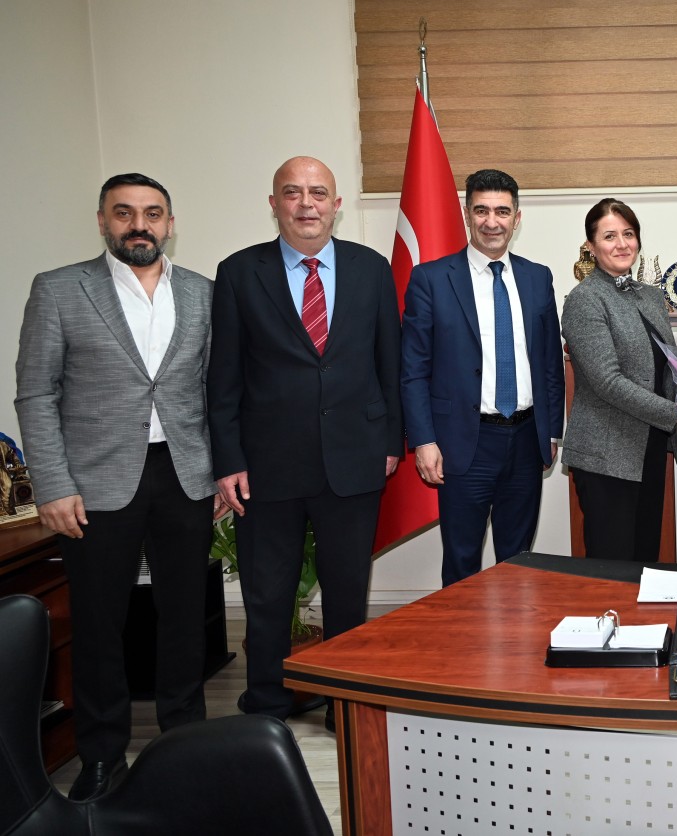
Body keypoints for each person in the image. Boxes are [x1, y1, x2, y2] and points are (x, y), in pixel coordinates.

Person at [15, 173, 219, 800]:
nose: (139, 224)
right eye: (124, 212)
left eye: (152, 213)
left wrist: (220, 471)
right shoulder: (59, 289)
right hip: (94, 483)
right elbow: (36, 393)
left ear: (170, 223)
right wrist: (52, 483)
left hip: (183, 474)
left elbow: (214, 389)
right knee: (100, 623)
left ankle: (185, 742)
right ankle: (102, 756)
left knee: (185, 618)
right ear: (103, 221)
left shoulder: (202, 292)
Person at [208, 156, 402, 729]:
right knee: (268, 595)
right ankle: (267, 706)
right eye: (292, 192)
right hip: (267, 464)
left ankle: (344, 704)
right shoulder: (239, 272)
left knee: (347, 592)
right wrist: (228, 459)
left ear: (336, 205)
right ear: (274, 204)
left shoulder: (371, 269)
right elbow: (223, 377)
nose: (306, 203)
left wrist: (391, 440)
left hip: (355, 455)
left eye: (318, 193)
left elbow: (388, 364)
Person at [400, 169, 564, 585]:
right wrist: (423, 440)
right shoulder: (431, 279)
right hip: (462, 442)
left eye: (502, 212)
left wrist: (551, 431)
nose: (492, 222)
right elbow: (414, 369)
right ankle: (462, 631)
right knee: (461, 562)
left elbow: (549, 362)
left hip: (526, 441)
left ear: (517, 218)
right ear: (466, 214)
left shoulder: (537, 277)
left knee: (519, 561)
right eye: (482, 210)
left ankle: (515, 628)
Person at [560, 199, 677, 561]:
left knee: (645, 560)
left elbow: (669, 374)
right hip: (606, 457)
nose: (621, 244)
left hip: (649, 450)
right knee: (613, 569)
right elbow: (608, 382)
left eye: (628, 234)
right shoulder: (584, 299)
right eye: (609, 236)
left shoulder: (650, 296)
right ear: (591, 246)